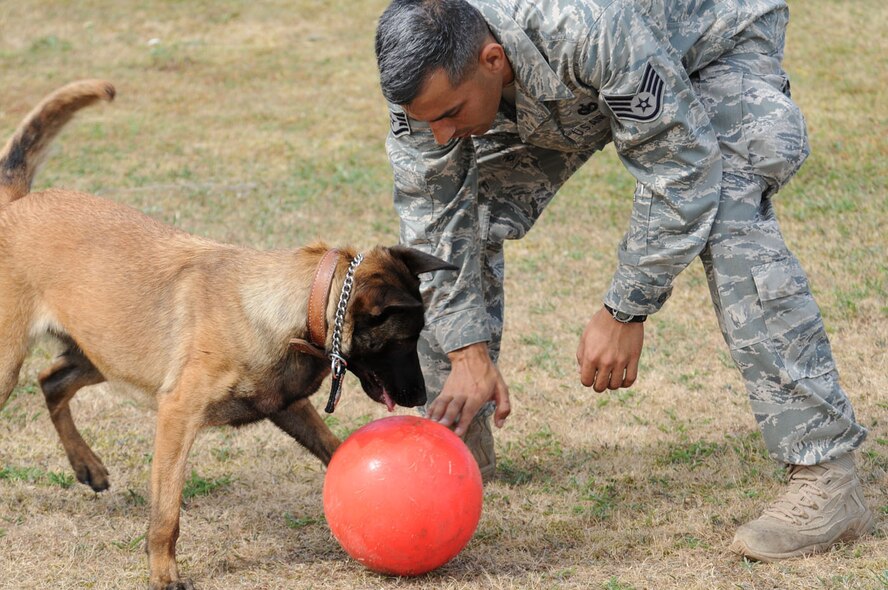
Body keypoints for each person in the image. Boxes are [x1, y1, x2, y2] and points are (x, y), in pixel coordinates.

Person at [373, 0, 873, 561]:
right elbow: (432, 217)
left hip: (709, 40)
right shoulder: (429, 73)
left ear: (492, 59)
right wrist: (466, 353)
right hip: (585, 65)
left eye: (451, 113)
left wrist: (625, 310)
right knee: (465, 215)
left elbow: (682, 166)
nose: (440, 136)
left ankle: (826, 475)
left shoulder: (583, 26)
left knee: (729, 214)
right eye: (427, 120)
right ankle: (456, 448)